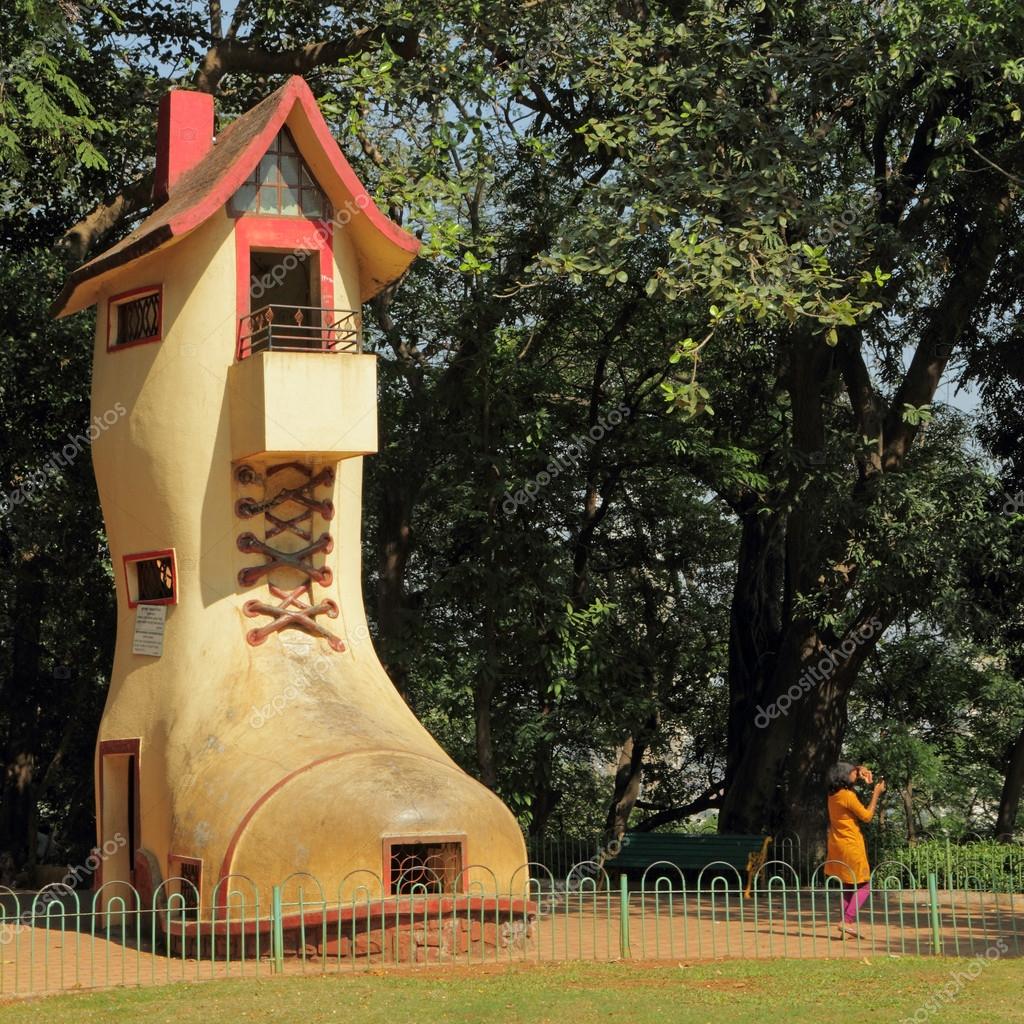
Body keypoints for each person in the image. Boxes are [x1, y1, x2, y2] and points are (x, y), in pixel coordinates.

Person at [824, 761, 885, 939]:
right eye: (852, 773)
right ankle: (847, 921)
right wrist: (876, 793)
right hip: (851, 844)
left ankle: (846, 928)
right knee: (864, 886)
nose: (855, 775)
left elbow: (852, 775)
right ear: (845, 776)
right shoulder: (848, 796)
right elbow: (866, 816)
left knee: (848, 885)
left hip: (837, 844)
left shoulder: (833, 794)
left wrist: (860, 770)